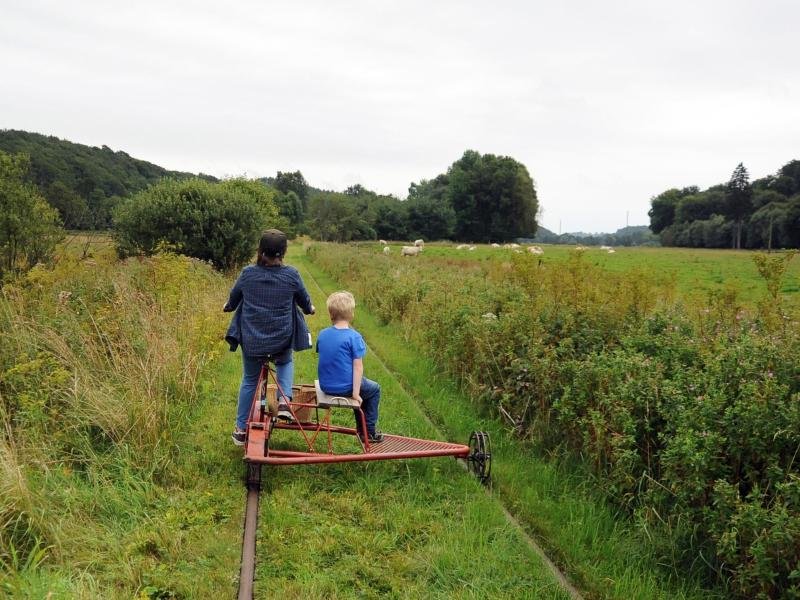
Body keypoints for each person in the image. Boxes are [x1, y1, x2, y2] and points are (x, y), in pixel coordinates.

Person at [224, 229, 314, 446]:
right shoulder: (291, 275)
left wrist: (228, 306)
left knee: (249, 380)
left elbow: (233, 300)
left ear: (260, 251)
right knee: (285, 361)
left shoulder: (248, 274)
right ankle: (284, 403)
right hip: (281, 340)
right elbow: (304, 301)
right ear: (283, 252)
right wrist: (310, 308)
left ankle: (240, 429)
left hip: (253, 341)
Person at [316, 291, 383, 443]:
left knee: (363, 390)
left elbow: (327, 357)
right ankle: (369, 432)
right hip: (345, 387)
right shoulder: (354, 337)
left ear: (330, 313)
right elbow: (358, 368)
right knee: (374, 390)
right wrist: (355, 393)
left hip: (326, 385)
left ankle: (362, 429)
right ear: (351, 314)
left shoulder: (323, 334)